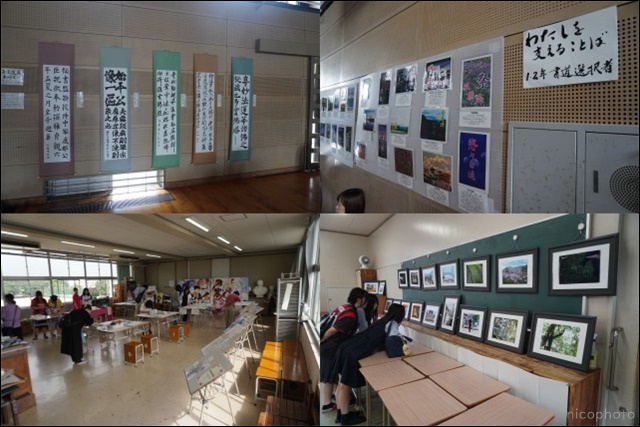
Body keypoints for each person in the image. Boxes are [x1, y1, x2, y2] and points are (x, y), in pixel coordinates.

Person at [331, 304, 406, 425]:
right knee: (345, 386)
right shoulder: (392, 323)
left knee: (341, 384)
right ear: (400, 315)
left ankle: (341, 414)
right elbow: (394, 340)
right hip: (353, 352)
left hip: (347, 347)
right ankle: (345, 418)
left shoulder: (382, 320)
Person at [320, 287, 368, 413]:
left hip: (329, 346)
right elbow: (332, 331)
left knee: (329, 376)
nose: (366, 302)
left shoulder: (345, 307)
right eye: (365, 299)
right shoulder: (351, 316)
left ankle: (329, 400)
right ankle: (327, 404)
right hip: (330, 347)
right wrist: (321, 341)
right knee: (330, 376)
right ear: (359, 299)